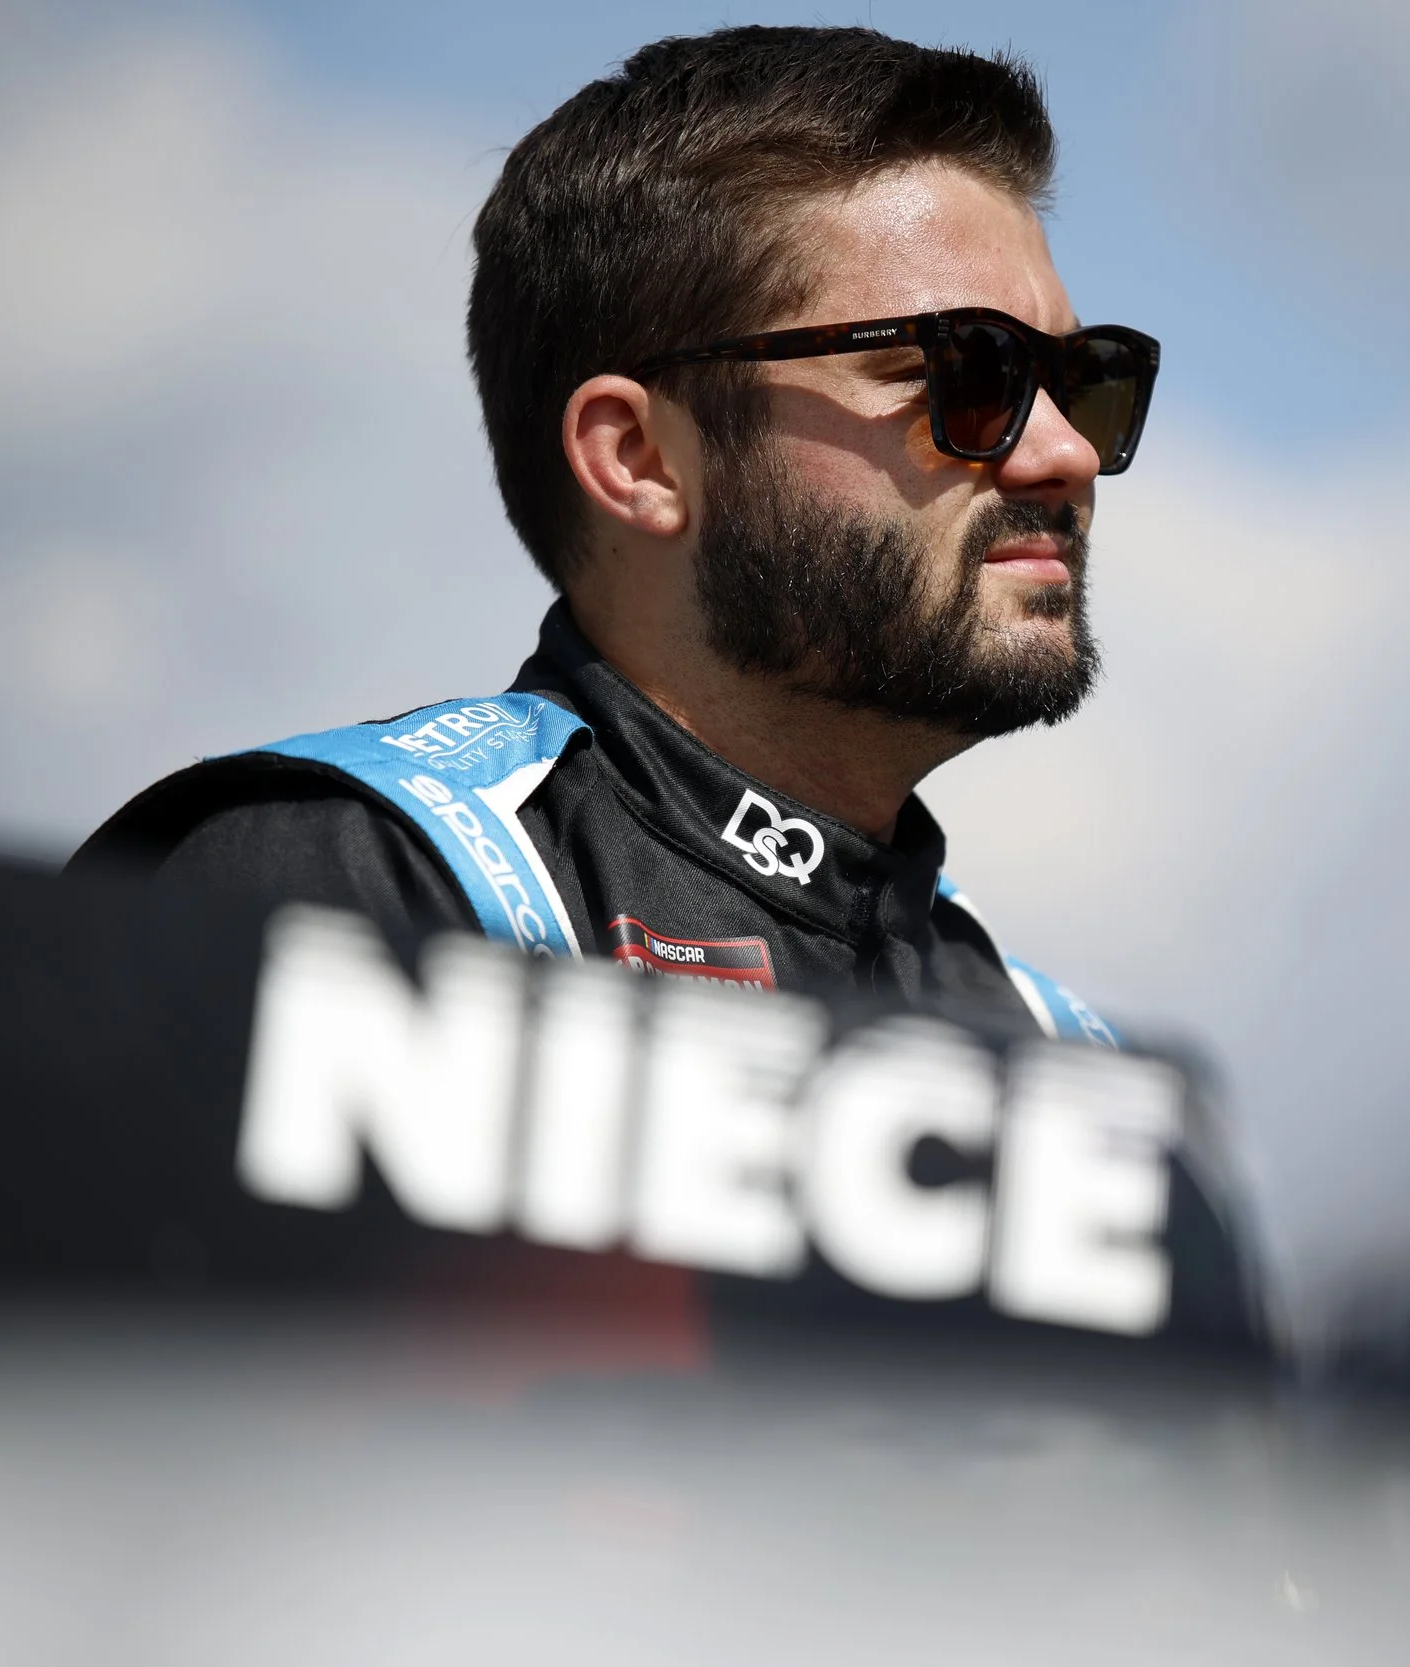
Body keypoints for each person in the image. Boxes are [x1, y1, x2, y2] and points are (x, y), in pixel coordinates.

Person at [71, 26, 1154, 1048]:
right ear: (639, 458)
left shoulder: (1063, 1052)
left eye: (1080, 379)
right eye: (966, 376)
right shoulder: (347, 883)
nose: (1063, 451)